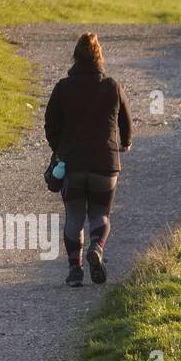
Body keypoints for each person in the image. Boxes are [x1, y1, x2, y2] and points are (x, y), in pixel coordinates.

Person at [45, 32, 133, 287]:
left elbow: (50, 125)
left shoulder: (63, 87)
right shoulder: (112, 86)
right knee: (100, 214)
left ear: (75, 57)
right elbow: (126, 123)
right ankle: (97, 247)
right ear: (99, 58)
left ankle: (75, 271)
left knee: (74, 216)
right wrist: (125, 143)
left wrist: (60, 148)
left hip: (72, 164)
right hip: (105, 165)